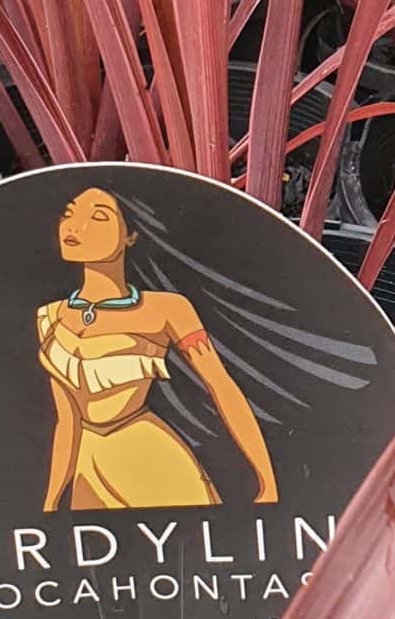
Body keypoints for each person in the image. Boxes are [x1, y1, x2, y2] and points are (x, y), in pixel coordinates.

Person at [37, 184, 279, 510]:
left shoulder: (168, 310)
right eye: (69, 214)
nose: (76, 227)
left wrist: (267, 481)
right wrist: (50, 503)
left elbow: (221, 386)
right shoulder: (49, 317)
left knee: (196, 556)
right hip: (87, 467)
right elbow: (67, 420)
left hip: (151, 457)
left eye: (98, 217)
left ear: (130, 236)